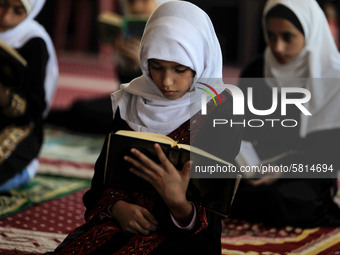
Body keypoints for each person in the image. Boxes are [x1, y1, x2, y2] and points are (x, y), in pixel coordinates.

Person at [50, 1, 242, 254]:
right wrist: (117, 207)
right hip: (125, 222)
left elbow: (213, 210)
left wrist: (179, 205)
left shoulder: (219, 109)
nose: (166, 81)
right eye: (156, 67)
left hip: (185, 234)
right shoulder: (132, 100)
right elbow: (102, 181)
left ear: (201, 61)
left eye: (180, 69)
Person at [231, 0, 340, 228]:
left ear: (309, 33)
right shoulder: (257, 69)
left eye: (287, 37)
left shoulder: (333, 77)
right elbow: (240, 129)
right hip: (257, 168)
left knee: (286, 198)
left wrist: (283, 169)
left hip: (306, 169)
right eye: (271, 36)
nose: (277, 47)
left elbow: (329, 154)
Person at [46, 0, 175, 134]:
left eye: (144, 1)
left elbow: (163, 91)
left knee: (85, 111)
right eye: (131, 2)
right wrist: (129, 64)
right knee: (80, 107)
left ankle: (43, 116)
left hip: (156, 109)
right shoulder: (128, 29)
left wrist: (142, 63)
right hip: (132, 101)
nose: (137, 7)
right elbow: (125, 87)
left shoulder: (171, 34)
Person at [0, 0, 58, 191]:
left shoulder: (34, 42)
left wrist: (8, 100)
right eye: (1, 4)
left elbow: (35, 108)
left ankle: (23, 171)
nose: (6, 16)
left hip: (18, 124)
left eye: (18, 11)